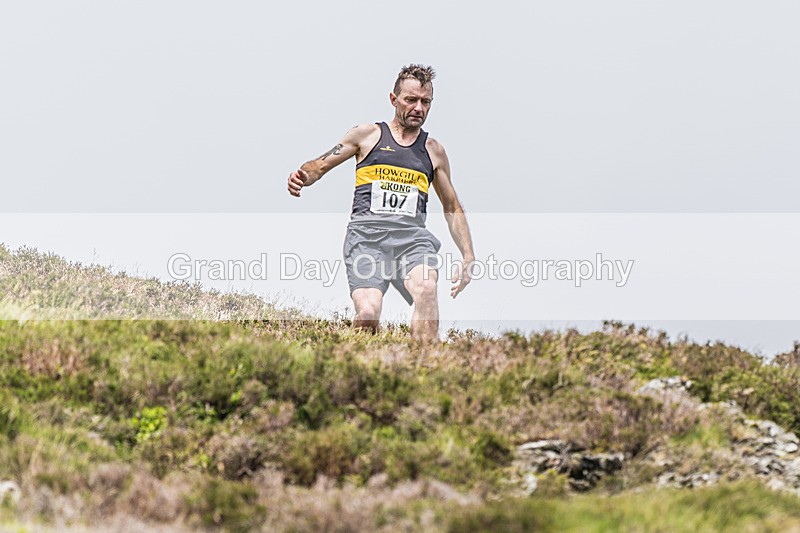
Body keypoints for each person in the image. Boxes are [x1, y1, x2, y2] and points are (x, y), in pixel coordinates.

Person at [287, 64, 475, 342]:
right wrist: (303, 175)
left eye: (426, 102)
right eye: (411, 100)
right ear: (393, 99)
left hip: (412, 241)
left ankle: (426, 367)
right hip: (366, 239)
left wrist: (468, 254)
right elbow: (320, 165)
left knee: (426, 288)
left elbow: (452, 206)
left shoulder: (433, 151)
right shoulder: (367, 135)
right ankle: (363, 373)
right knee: (368, 313)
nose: (418, 108)